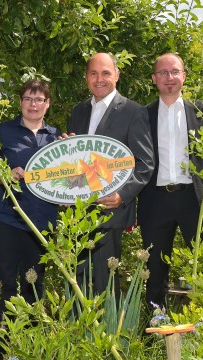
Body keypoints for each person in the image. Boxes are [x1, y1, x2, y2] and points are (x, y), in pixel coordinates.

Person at [66, 52, 154, 302]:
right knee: (78, 280)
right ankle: (78, 335)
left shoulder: (133, 111)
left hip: (111, 209)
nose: (99, 79)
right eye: (93, 73)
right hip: (78, 211)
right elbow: (75, 161)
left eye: (105, 73)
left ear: (117, 75)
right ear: (86, 78)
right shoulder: (78, 111)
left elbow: (145, 163)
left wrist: (122, 195)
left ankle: (107, 337)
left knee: (105, 281)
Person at [0, 79, 61, 320]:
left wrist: (73, 151)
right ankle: (1, 344)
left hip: (41, 220)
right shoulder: (4, 131)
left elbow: (69, 178)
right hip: (4, 216)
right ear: (20, 102)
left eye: (39, 99)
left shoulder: (56, 137)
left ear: (48, 104)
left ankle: (29, 346)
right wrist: (5, 176)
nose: (33, 104)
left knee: (33, 281)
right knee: (4, 280)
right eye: (27, 98)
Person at [138, 53, 203, 309]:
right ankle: (155, 333)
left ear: (184, 76)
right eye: (162, 73)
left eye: (174, 72)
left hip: (194, 199)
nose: (169, 78)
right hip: (155, 199)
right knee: (155, 269)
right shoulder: (142, 115)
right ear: (154, 79)